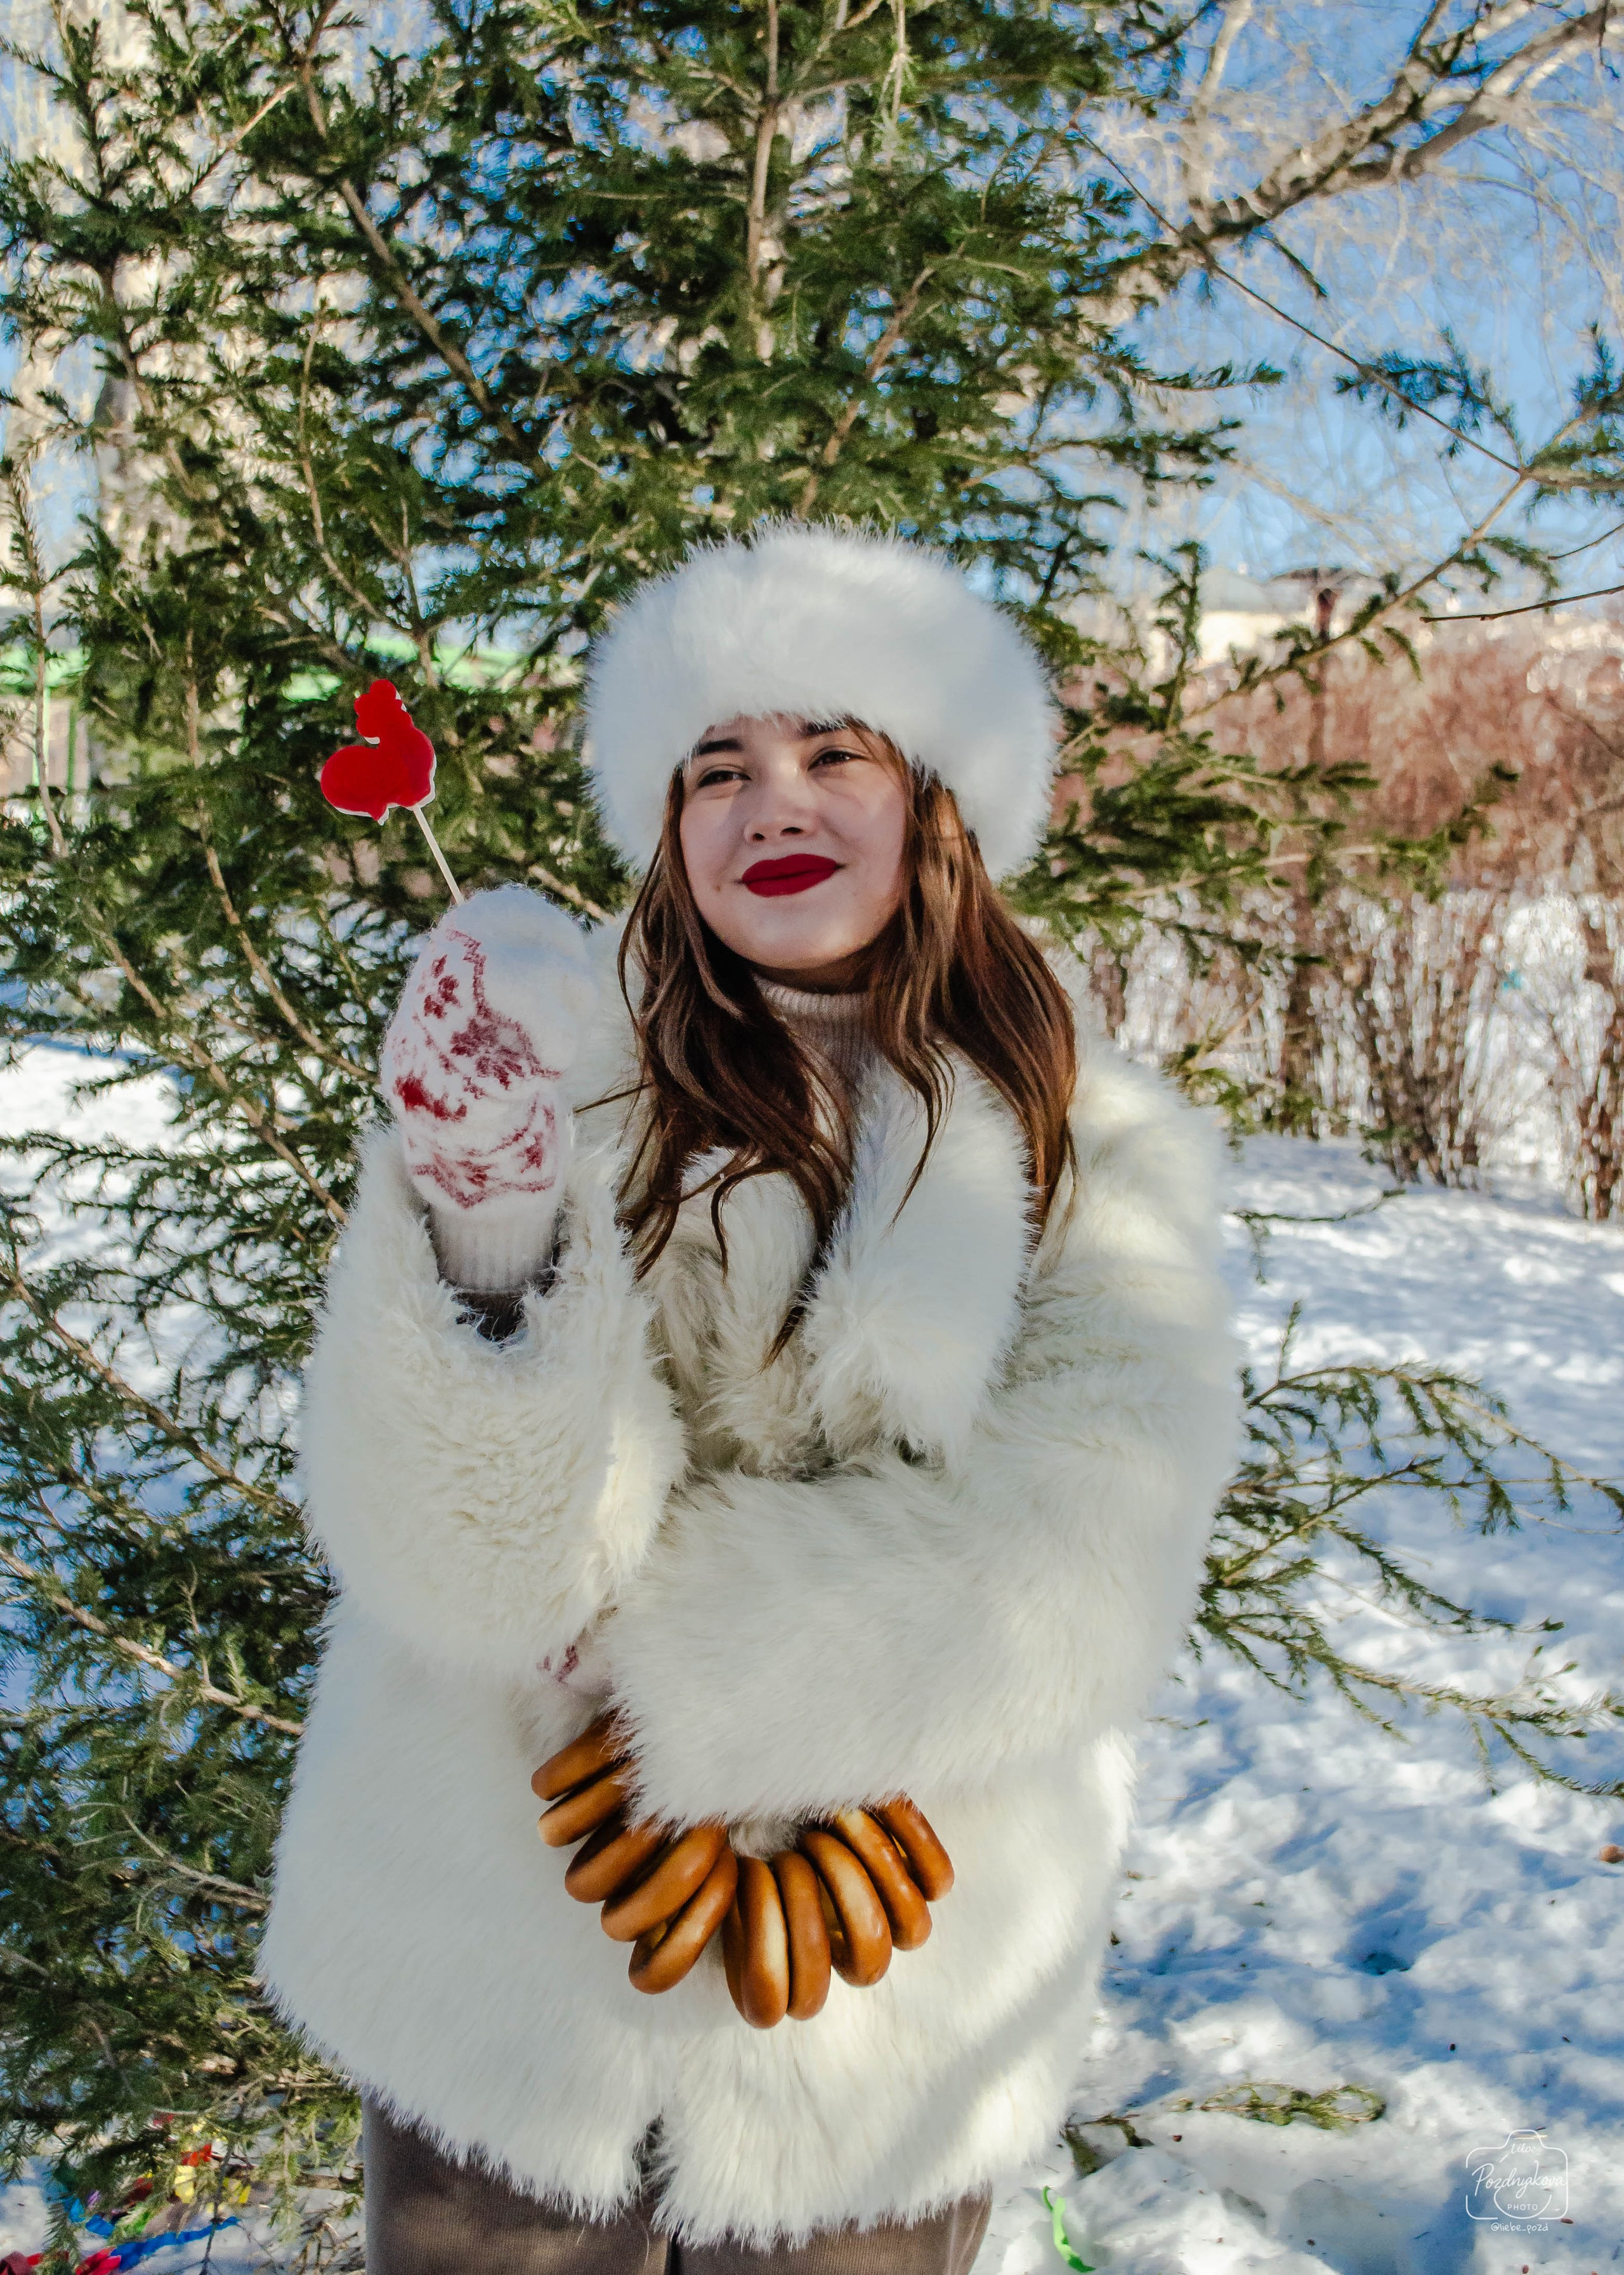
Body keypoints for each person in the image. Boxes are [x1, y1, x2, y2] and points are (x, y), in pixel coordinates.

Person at [261, 526, 1238, 2275]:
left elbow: (1090, 1544)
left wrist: (668, 1656)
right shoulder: (542, 1057)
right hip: (492, 1952)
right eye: (717, 768)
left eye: (832, 751)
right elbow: (437, 1540)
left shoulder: (1096, 1147)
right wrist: (491, 1219)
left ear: (938, 799)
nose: (770, 801)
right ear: (667, 822)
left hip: (892, 2005)